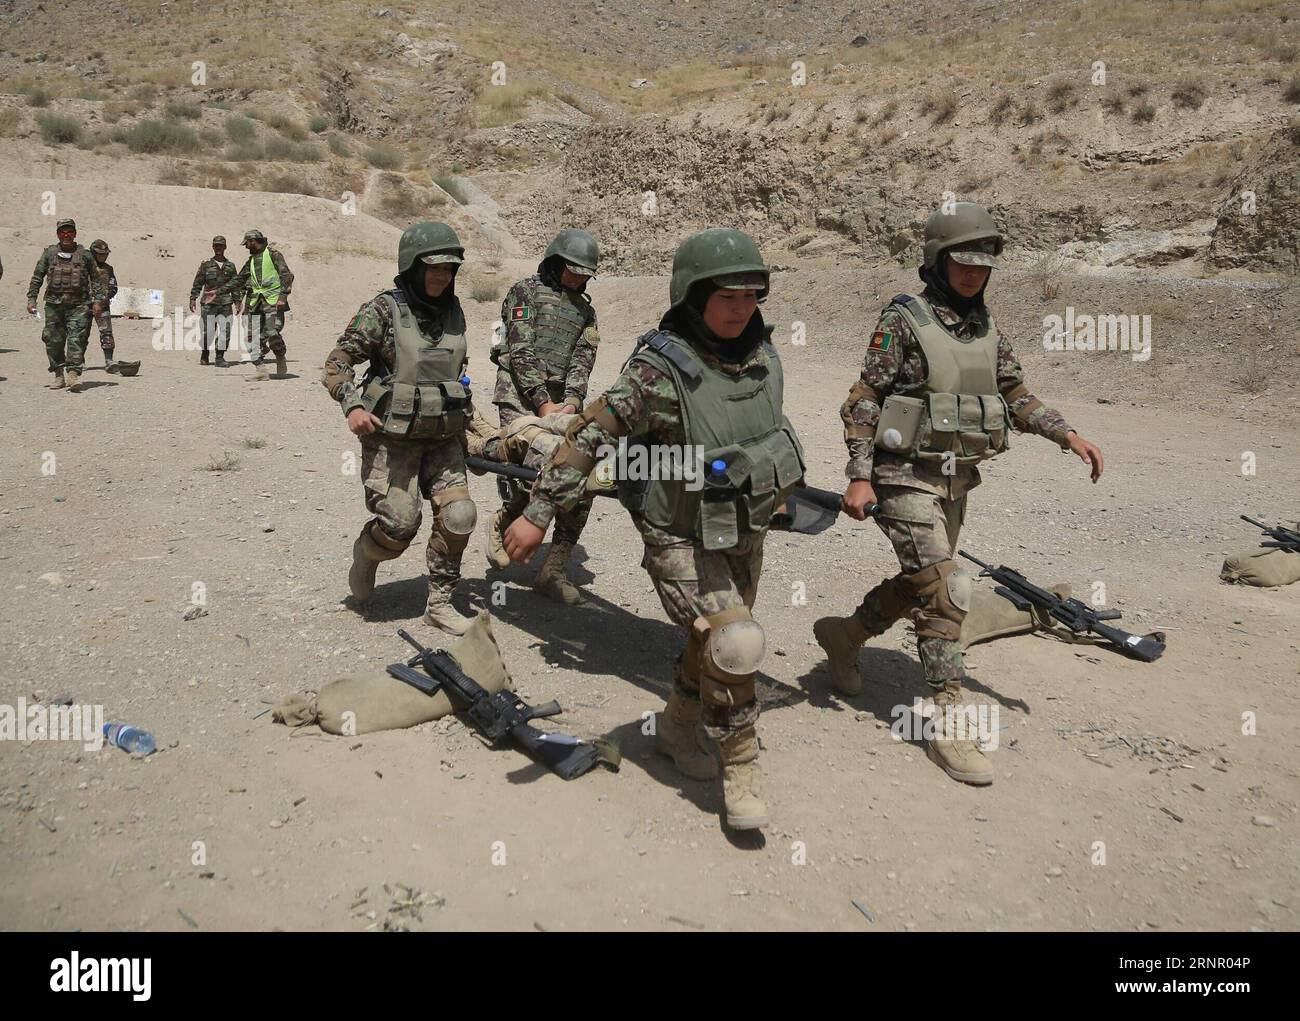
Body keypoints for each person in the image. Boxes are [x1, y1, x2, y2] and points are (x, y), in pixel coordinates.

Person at [503, 228, 805, 832]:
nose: (743, 307)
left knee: (712, 641)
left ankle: (673, 728)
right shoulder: (656, 371)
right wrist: (537, 514)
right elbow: (589, 437)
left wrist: (782, 493)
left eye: (752, 294)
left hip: (738, 527)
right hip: (676, 531)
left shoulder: (763, 357)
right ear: (693, 296)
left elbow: (767, 431)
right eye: (728, 296)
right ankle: (739, 765)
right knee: (737, 641)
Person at [814, 202, 1104, 786]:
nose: (972, 274)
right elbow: (865, 397)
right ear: (937, 261)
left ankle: (845, 636)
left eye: (981, 265)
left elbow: (1013, 391)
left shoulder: (987, 326)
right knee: (947, 590)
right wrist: (859, 473)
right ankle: (949, 719)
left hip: (954, 476)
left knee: (924, 582)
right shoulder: (903, 318)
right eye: (961, 263)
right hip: (900, 473)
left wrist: (1064, 432)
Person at [322, 222, 478, 636]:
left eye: (449, 268)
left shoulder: (454, 311)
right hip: (392, 440)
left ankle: (440, 603)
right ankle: (368, 553)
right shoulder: (383, 310)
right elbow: (337, 363)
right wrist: (352, 407)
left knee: (460, 515)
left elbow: (458, 373)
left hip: (443, 438)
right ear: (411, 266)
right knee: (400, 524)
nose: (442, 276)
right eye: (433, 268)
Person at [484, 229, 601, 603]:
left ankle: (553, 569)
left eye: (584, 273)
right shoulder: (525, 292)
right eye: (572, 270)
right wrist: (542, 404)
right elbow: (520, 351)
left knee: (583, 477)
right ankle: (505, 519)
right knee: (536, 467)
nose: (578, 278)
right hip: (520, 398)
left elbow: (583, 360)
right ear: (555, 263)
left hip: (561, 405)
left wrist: (570, 401)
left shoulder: (586, 311)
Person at [26, 218, 105, 392]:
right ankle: (58, 375)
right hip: (54, 305)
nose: (66, 235)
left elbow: (96, 280)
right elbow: (37, 277)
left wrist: (98, 301)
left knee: (77, 339)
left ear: (75, 233)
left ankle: (73, 375)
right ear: (58, 234)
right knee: (53, 340)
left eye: (69, 231)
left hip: (80, 305)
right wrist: (32, 299)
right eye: (63, 232)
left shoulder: (85, 255)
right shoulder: (49, 254)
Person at [231, 228, 293, 377]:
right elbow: (239, 280)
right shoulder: (251, 261)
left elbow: (287, 276)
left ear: (253, 241)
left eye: (247, 243)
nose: (246, 247)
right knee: (250, 338)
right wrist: (220, 290)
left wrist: (282, 297)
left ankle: (280, 356)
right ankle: (261, 370)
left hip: (273, 302)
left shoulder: (274, 255)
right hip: (253, 304)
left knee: (272, 332)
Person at [189, 235, 238, 367]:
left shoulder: (230, 266)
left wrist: (238, 301)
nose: (218, 248)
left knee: (225, 331)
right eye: (216, 245)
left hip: (226, 303)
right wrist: (193, 298)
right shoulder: (206, 265)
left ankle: (220, 357)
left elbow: (235, 284)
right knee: (208, 331)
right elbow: (198, 282)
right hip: (209, 304)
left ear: (225, 247)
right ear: (213, 247)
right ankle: (205, 353)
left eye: (221, 246)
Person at [88, 239, 118, 370]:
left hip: (103, 305)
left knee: (106, 333)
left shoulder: (108, 269)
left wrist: (105, 298)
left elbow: (113, 287)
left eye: (105, 254)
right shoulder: (85, 268)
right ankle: (78, 361)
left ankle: (109, 360)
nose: (103, 256)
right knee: (81, 333)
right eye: (100, 254)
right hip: (85, 305)